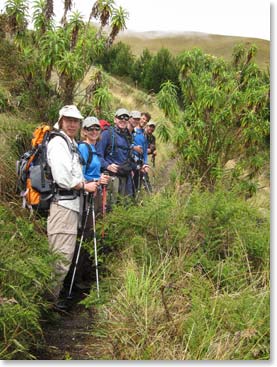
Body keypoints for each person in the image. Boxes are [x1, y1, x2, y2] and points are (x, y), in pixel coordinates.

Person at [46, 105, 98, 310]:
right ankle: (49, 304)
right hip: (63, 206)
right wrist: (85, 185)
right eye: (68, 120)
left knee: (64, 255)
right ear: (60, 120)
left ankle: (53, 299)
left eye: (75, 121)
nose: (72, 124)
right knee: (60, 256)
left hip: (70, 205)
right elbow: (63, 177)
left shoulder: (70, 143)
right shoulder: (58, 143)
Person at [65, 116, 109, 291]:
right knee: (85, 233)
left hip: (94, 194)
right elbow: (79, 175)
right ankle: (76, 278)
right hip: (86, 197)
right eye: (90, 129)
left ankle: (84, 273)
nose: (94, 131)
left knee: (91, 233)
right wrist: (97, 180)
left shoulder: (93, 148)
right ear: (84, 131)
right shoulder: (83, 148)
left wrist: (100, 179)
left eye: (97, 129)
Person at [96, 108, 133, 207]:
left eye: (126, 118)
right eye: (120, 117)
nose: (123, 120)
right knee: (109, 207)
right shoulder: (107, 134)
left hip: (125, 178)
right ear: (115, 119)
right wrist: (107, 166)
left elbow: (128, 156)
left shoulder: (128, 136)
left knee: (124, 206)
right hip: (111, 178)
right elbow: (97, 155)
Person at [132, 111, 151, 192]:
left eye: (146, 121)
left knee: (137, 187)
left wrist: (145, 164)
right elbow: (125, 145)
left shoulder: (144, 134)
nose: (144, 121)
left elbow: (145, 151)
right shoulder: (132, 131)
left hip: (140, 164)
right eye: (143, 118)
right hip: (130, 162)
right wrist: (134, 147)